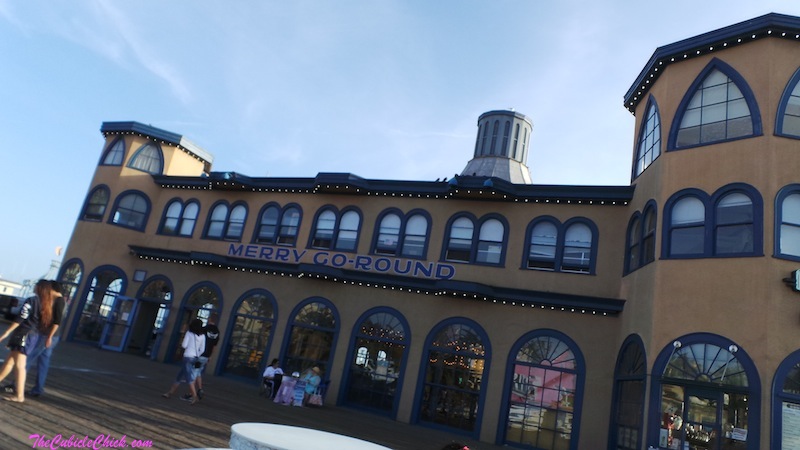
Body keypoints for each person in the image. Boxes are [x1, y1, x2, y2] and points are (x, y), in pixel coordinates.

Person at [0, 280, 54, 402]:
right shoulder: (47, 304)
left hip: (24, 334)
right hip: (34, 335)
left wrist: (7, 332)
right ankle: (19, 395)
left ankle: (19, 395)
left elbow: (21, 318)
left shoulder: (32, 301)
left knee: (20, 365)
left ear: (39, 288)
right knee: (9, 362)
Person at [25, 280, 67, 398]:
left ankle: (17, 383)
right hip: (52, 336)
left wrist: (49, 336)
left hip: (48, 336)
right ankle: (38, 388)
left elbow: (57, 322)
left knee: (29, 357)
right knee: (43, 362)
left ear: (53, 289)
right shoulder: (61, 301)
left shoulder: (59, 302)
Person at [162, 318, 205, 404]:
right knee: (180, 375)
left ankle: (194, 396)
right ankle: (170, 392)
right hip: (195, 358)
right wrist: (197, 355)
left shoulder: (189, 333)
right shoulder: (203, 336)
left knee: (189, 378)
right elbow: (202, 349)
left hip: (187, 357)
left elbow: (184, 345)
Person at [181, 313, 219, 401]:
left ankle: (191, 394)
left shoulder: (204, 329)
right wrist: (210, 356)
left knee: (193, 373)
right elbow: (214, 346)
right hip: (206, 356)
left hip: (199, 355)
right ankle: (200, 389)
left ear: (209, 319)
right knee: (198, 372)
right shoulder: (217, 332)